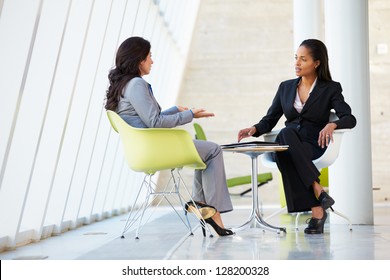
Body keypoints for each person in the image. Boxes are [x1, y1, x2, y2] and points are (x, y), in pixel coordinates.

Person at [105, 36, 233, 236]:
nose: (152, 61)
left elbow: (148, 120)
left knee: (204, 153)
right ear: (139, 59)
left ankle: (200, 204)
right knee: (213, 150)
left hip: (146, 149)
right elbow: (155, 123)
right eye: (150, 56)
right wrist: (189, 115)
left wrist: (177, 110)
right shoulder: (136, 84)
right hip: (156, 149)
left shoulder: (123, 86)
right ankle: (213, 213)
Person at [237, 39, 357, 234]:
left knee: (286, 142)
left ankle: (317, 209)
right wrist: (254, 129)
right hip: (287, 144)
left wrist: (332, 123)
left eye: (303, 59)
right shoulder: (285, 87)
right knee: (286, 137)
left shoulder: (330, 88)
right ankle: (318, 195)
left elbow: (350, 118)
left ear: (316, 63)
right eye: (296, 58)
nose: (297, 63)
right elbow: (270, 119)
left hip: (312, 145)